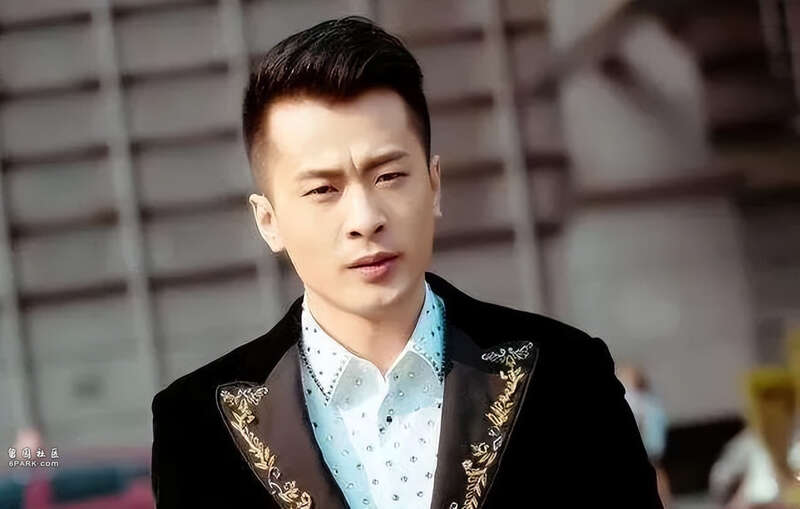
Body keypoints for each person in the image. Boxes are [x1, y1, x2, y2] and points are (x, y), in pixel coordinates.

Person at [149, 16, 661, 508]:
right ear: (269, 221)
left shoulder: (566, 376)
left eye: (389, 176)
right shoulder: (197, 425)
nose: (365, 219)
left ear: (434, 184)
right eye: (323, 189)